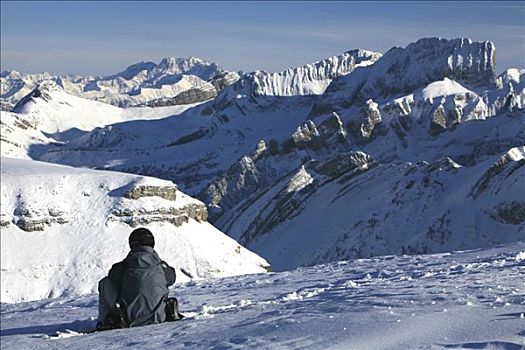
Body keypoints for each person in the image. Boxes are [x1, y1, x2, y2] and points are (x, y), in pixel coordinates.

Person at [97, 228, 182, 330]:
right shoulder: (161, 267)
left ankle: (106, 321)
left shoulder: (123, 267)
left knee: (104, 283)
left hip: (129, 319)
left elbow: (113, 277)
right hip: (159, 317)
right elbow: (171, 279)